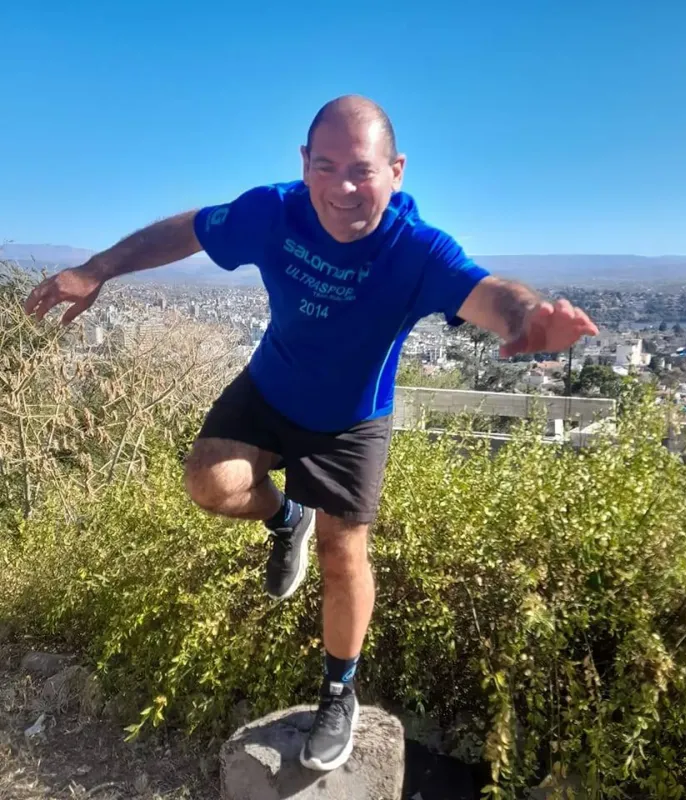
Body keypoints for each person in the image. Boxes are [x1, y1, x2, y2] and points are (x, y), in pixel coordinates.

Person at [24, 95, 598, 772]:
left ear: (397, 171)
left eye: (361, 170)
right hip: (272, 386)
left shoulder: (417, 251)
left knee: (341, 554)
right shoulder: (276, 211)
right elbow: (188, 230)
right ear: (304, 164)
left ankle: (338, 691)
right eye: (325, 167)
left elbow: (490, 292)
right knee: (209, 481)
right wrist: (96, 268)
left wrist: (528, 319)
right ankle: (285, 515)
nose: (342, 188)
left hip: (353, 418)